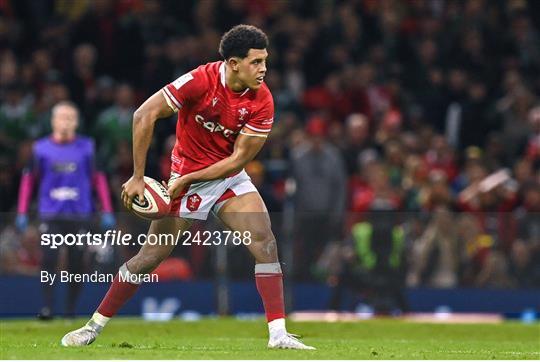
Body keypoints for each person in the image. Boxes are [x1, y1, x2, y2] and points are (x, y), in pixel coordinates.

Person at [61, 25, 314, 350]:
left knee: (265, 242)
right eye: (256, 62)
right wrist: (139, 176)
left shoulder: (262, 99)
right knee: (149, 257)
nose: (263, 69)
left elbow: (238, 162)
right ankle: (93, 327)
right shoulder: (200, 81)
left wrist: (189, 179)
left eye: (265, 61)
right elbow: (144, 114)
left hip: (225, 177)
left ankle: (278, 335)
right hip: (185, 176)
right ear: (234, 63)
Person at [16, 101, 115, 319]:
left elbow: (98, 179)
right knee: (49, 258)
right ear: (53, 120)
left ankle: (70, 309)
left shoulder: (87, 147)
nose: (66, 121)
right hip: (50, 214)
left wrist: (107, 209)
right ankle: (48, 307)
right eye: (62, 117)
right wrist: (22, 211)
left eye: (70, 117)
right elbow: (28, 181)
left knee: (77, 262)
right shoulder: (40, 148)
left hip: (80, 214)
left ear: (77, 121)